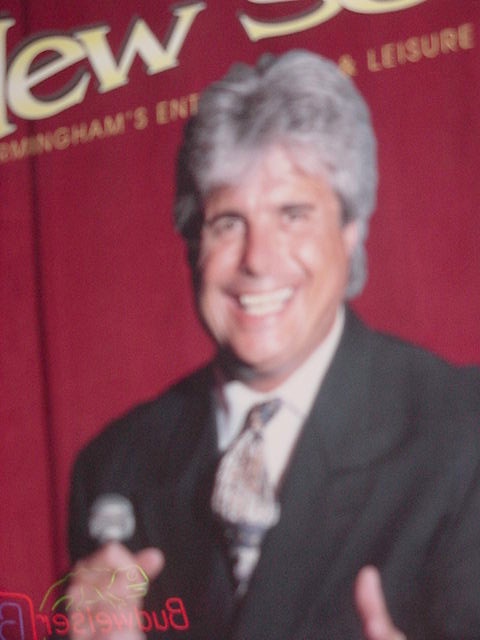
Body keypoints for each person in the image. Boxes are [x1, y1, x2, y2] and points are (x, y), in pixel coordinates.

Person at [66, 50, 480, 640]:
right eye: (228, 222)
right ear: (193, 244)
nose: (257, 260)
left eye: (292, 214)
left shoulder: (463, 429)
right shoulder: (116, 466)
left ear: (351, 229)